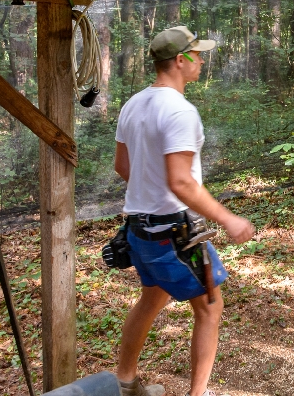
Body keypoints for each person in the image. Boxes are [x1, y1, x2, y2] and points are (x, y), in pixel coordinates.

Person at [114, 26, 255, 396]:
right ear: (180, 60)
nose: (202, 61)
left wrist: (151, 192)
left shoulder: (133, 104)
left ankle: (125, 383)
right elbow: (181, 182)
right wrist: (228, 218)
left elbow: (123, 167)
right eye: (197, 54)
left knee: (151, 299)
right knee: (210, 308)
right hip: (173, 233)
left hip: (139, 231)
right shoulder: (180, 111)